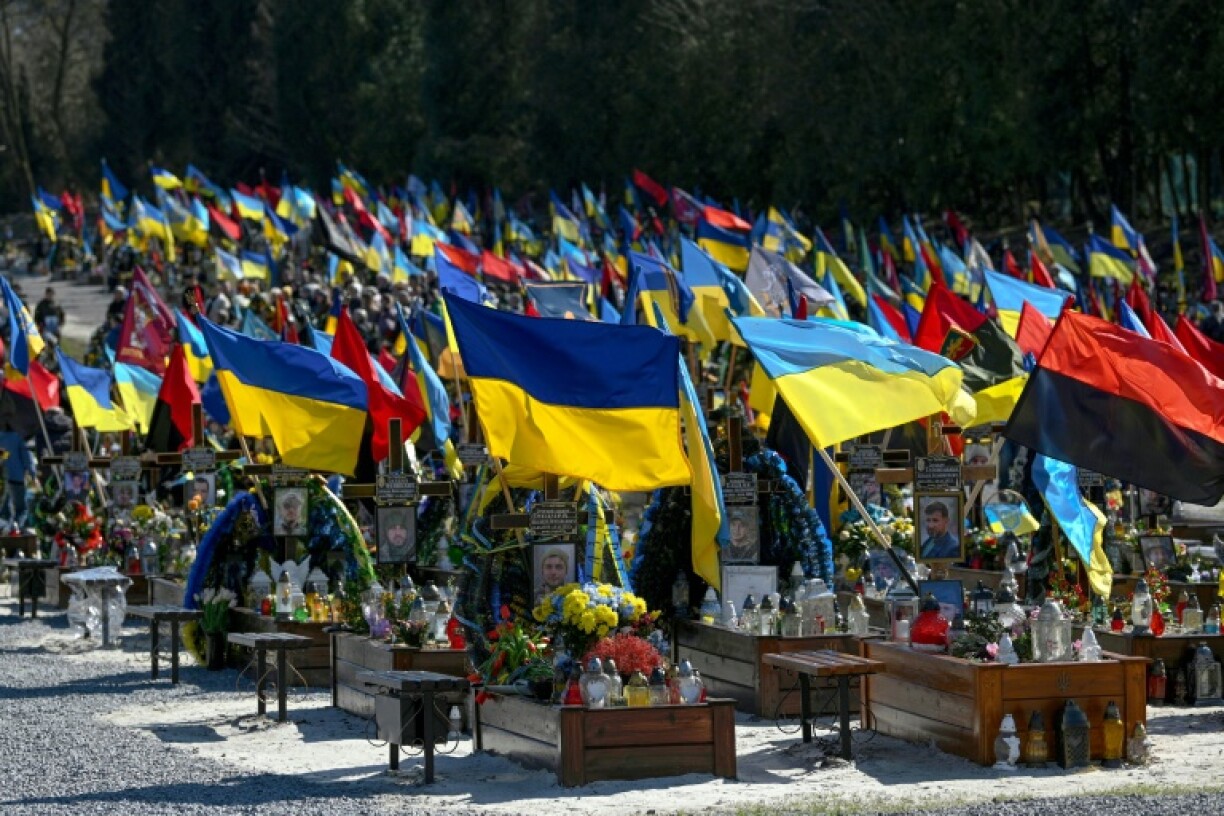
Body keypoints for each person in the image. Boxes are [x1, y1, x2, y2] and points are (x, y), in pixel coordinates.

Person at [0, 431, 34, 525]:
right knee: (21, 508)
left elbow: (4, 455)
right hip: (17, 477)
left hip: (6, 475)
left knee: (6, 504)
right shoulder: (19, 437)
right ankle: (18, 528)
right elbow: (27, 459)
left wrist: (7, 456)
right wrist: (32, 473)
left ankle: (4, 525)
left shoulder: (3, 436)